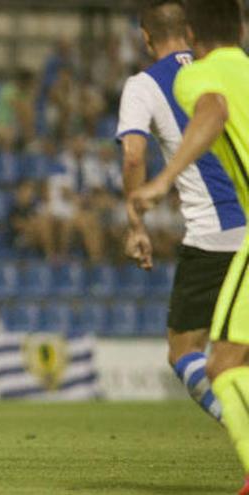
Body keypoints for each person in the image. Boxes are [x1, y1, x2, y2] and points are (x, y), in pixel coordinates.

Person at [128, 1, 249, 492]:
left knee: (219, 365)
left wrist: (164, 181)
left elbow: (213, 111)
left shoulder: (196, 78)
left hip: (222, 237)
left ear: (193, 33)